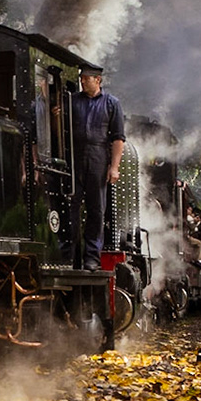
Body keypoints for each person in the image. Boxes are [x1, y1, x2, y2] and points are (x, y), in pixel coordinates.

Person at [70, 64, 126, 264]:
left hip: (98, 155)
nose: (82, 81)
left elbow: (118, 138)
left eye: (86, 78)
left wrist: (114, 167)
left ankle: (92, 256)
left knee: (96, 208)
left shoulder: (112, 103)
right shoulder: (72, 101)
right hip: (75, 155)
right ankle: (72, 253)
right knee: (72, 204)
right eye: (81, 78)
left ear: (98, 80)